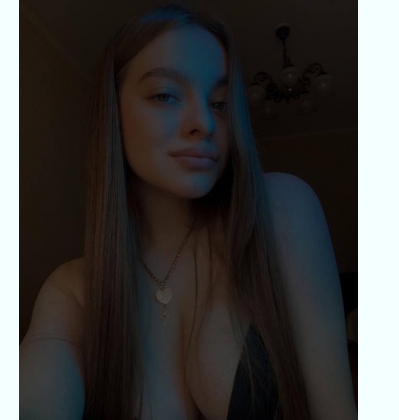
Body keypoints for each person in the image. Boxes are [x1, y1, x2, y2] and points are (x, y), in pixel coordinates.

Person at [20, 3, 357, 420]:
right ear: (113, 115)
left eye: (219, 103)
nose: (205, 123)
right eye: (165, 95)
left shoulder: (278, 212)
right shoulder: (73, 291)